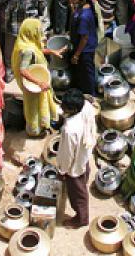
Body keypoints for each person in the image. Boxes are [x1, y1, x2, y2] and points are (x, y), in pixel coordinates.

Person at [56, 89, 98, 229]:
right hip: (84, 152)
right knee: (83, 171)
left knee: (77, 193)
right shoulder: (86, 106)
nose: (62, 108)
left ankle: (81, 218)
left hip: (74, 166)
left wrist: (62, 171)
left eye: (65, 107)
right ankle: (83, 182)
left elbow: (67, 155)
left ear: (73, 109)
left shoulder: (69, 130)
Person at [11, 19, 58, 137]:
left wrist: (51, 51)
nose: (40, 33)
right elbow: (23, 70)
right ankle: (34, 131)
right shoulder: (27, 51)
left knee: (40, 104)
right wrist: (40, 83)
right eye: (38, 30)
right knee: (33, 108)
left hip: (35, 80)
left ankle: (41, 125)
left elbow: (38, 51)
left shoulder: (24, 41)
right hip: (33, 85)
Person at [69, 0, 99, 95]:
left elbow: (84, 38)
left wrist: (76, 55)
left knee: (87, 74)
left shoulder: (84, 17)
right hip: (83, 47)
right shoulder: (84, 7)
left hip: (85, 50)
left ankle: (91, 96)